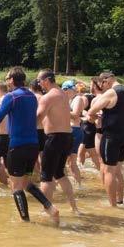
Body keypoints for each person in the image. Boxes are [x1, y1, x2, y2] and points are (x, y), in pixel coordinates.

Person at [0, 67, 59, 222]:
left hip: (17, 146)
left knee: (16, 187)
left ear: (12, 80)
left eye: (7, 78)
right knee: (27, 183)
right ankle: (50, 207)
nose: (6, 81)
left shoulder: (11, 97)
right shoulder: (31, 96)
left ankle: (25, 221)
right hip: (33, 146)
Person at [87, 72, 124, 207]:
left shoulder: (111, 93)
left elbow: (91, 111)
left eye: (102, 84)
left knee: (109, 171)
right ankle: (120, 200)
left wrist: (96, 118)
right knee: (118, 170)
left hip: (111, 136)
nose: (102, 87)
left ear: (106, 81)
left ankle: (112, 206)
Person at [36, 70, 78, 213]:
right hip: (67, 137)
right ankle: (74, 208)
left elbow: (38, 117)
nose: (38, 84)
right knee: (59, 173)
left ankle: (46, 209)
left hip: (54, 138)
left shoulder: (48, 97)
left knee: (46, 176)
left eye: (39, 81)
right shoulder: (62, 94)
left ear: (46, 80)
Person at [61, 80, 84, 185]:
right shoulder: (70, 100)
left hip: (74, 131)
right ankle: (75, 186)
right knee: (69, 163)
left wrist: (60, 109)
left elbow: (75, 115)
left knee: (70, 163)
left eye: (64, 90)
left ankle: (76, 186)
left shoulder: (78, 99)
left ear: (69, 89)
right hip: (70, 131)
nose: (63, 92)